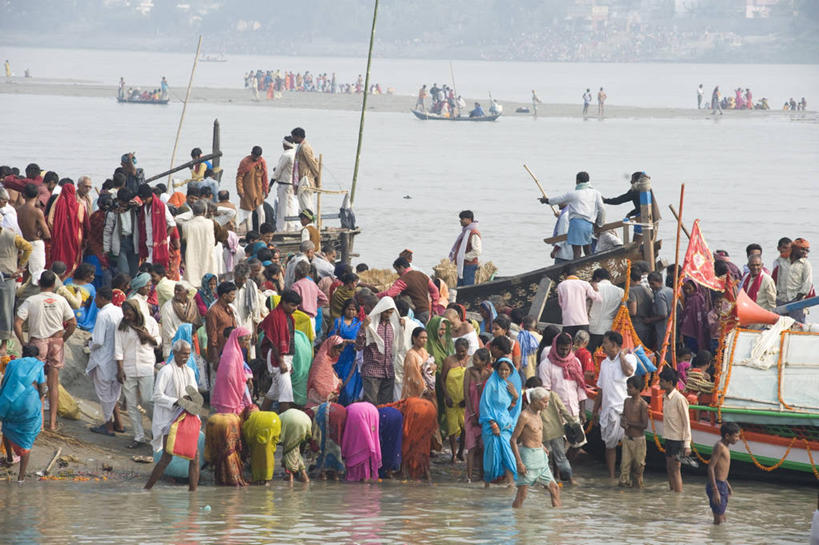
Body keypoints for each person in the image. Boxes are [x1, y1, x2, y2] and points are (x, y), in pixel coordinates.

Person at [14, 271, 76, 431]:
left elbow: (17, 323)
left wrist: (23, 343)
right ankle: (53, 424)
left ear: (40, 283)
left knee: (38, 383)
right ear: (54, 284)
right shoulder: (61, 300)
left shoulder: (32, 300)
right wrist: (63, 339)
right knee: (53, 383)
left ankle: (40, 423)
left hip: (38, 342)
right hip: (56, 342)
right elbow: (73, 323)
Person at [144, 340, 201, 491]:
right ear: (174, 353)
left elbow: (194, 394)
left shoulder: (189, 371)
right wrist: (176, 402)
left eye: (188, 354)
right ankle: (147, 489)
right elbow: (157, 396)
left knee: (195, 456)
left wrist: (191, 399)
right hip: (169, 421)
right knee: (167, 457)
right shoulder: (166, 371)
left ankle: (193, 494)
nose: (186, 357)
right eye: (183, 354)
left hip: (184, 418)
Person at [115, 300, 160, 449]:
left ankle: (157, 430)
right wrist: (120, 370)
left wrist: (147, 336)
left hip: (146, 367)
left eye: (129, 314)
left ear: (136, 311)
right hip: (128, 368)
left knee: (148, 400)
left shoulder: (150, 322)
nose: (127, 317)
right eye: (124, 314)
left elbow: (158, 342)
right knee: (131, 404)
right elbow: (118, 349)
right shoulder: (121, 325)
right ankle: (139, 436)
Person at [592, 331, 636, 478]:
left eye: (605, 343)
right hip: (608, 410)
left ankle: (627, 477)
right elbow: (601, 389)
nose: (602, 346)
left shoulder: (629, 358)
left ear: (614, 344)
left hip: (625, 411)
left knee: (629, 446)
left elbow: (629, 372)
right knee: (609, 445)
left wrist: (621, 355)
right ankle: (611, 477)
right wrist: (595, 411)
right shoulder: (604, 363)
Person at [0, 345, 46, 483]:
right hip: (28, 404)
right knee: (26, 440)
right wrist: (39, 398)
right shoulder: (38, 365)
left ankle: (9, 458)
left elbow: (4, 383)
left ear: (23, 353)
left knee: (7, 428)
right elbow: (42, 387)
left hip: (9, 402)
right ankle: (21, 479)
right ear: (36, 355)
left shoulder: (12, 364)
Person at [511, 386, 561, 508]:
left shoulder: (538, 413)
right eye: (545, 402)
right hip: (528, 457)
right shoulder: (524, 416)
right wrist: (519, 463)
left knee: (554, 488)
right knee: (522, 494)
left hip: (540, 457)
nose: (547, 405)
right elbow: (513, 440)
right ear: (535, 401)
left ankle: (558, 518)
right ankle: (516, 517)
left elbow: (535, 433)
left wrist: (541, 446)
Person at [87, 288, 125, 436]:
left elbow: (98, 340)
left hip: (104, 359)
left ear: (102, 298)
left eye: (96, 298)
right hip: (117, 359)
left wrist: (90, 343)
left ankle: (108, 426)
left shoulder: (103, 314)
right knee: (114, 392)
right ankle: (119, 423)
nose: (95, 301)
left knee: (105, 394)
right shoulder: (119, 311)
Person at [541, 172, 605, 259]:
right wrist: (600, 224)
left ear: (577, 181)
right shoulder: (596, 193)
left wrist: (546, 201)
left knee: (576, 253)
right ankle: (589, 266)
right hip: (588, 224)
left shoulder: (574, 194)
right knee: (588, 251)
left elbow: (558, 199)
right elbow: (602, 209)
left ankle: (576, 267)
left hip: (576, 224)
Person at [480, 357, 521, 486]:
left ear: (511, 371)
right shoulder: (491, 384)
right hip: (491, 425)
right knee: (492, 456)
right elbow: (484, 405)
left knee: (508, 454)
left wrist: (515, 397)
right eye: (501, 369)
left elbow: (508, 408)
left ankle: (511, 484)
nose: (503, 372)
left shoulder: (509, 386)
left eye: (506, 370)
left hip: (505, 425)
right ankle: (487, 484)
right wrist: (493, 424)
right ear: (497, 370)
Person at [260, 289, 302, 412]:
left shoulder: (287, 316)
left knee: (274, 392)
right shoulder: (275, 316)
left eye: (296, 306)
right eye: (292, 305)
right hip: (277, 357)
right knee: (286, 394)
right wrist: (281, 361)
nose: (295, 308)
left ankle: (260, 416)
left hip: (285, 356)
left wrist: (287, 361)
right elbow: (273, 342)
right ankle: (285, 421)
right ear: (284, 302)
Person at [356, 296, 401, 405]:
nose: (388, 315)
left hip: (388, 372)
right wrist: (363, 328)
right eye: (386, 312)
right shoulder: (371, 325)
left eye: (391, 312)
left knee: (386, 406)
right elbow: (359, 346)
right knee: (371, 404)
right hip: (372, 371)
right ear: (381, 310)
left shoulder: (393, 326)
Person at [385, 396, 438, 482]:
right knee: (424, 444)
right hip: (431, 409)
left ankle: (403, 472)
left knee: (407, 443)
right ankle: (427, 474)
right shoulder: (404, 402)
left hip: (417, 410)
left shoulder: (396, 407)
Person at [538, 332, 587, 424]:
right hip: (556, 415)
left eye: (567, 349)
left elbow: (581, 388)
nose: (564, 352)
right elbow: (546, 392)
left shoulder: (576, 362)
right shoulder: (546, 365)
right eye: (561, 349)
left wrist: (582, 411)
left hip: (574, 411)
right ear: (555, 347)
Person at [0, 219, 32, 355]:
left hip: (7, 277)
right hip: (6, 275)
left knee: (6, 310)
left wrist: (20, 266)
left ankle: (4, 343)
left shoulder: (11, 236)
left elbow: (28, 248)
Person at [378, 257, 440, 324]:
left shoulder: (404, 279)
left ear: (401, 267)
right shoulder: (423, 275)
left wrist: (376, 295)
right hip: (426, 312)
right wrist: (434, 308)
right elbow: (435, 290)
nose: (397, 273)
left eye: (397, 270)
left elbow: (389, 294)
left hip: (415, 313)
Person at [659, 366, 692, 492]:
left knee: (676, 470)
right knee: (669, 468)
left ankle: (678, 495)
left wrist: (687, 444)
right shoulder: (665, 397)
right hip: (668, 437)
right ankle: (672, 492)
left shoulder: (680, 399)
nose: (660, 383)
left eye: (662, 381)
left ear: (670, 382)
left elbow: (686, 423)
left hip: (678, 439)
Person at [47, 181, 89, 275]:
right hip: (75, 239)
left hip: (59, 239)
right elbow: (86, 226)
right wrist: (85, 239)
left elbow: (50, 221)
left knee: (59, 258)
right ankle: (70, 278)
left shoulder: (57, 207)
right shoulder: (80, 207)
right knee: (73, 261)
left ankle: (58, 277)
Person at [463, 348, 491, 481]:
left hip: (485, 414)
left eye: (476, 360)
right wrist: (472, 414)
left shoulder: (490, 374)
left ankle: (482, 476)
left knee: (483, 446)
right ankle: (468, 477)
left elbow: (488, 395)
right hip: (471, 413)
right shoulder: (468, 372)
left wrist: (479, 381)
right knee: (471, 446)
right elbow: (466, 395)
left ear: (484, 362)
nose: (473, 362)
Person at [211, 328, 253, 415]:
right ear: (238, 340)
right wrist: (242, 385)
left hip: (231, 389)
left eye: (248, 340)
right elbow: (230, 375)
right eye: (246, 340)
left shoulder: (235, 351)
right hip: (231, 391)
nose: (247, 343)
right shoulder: (233, 353)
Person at [329, 298, 363, 405]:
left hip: (352, 359)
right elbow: (331, 339)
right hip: (339, 357)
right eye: (349, 309)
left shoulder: (360, 324)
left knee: (349, 390)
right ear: (344, 309)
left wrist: (356, 343)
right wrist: (345, 341)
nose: (351, 312)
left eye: (353, 310)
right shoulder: (338, 322)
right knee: (336, 385)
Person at [707, 422, 740, 524]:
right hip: (717, 485)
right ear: (727, 436)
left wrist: (727, 485)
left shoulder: (726, 447)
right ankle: (714, 534)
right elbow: (711, 467)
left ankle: (718, 534)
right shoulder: (720, 446)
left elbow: (721, 470)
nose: (738, 439)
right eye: (736, 436)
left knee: (722, 518)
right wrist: (715, 490)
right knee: (718, 520)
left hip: (722, 484)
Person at [16, 183, 50, 283]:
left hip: (23, 244)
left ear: (23, 195)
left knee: (24, 274)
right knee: (37, 275)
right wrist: (40, 233)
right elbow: (47, 234)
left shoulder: (18, 210)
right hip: (35, 244)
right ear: (37, 195)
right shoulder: (37, 212)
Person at [773, 237, 813, 321]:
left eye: (806, 250)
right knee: (780, 323)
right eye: (802, 249)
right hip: (781, 299)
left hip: (796, 299)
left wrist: (800, 296)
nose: (804, 252)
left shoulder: (805, 264)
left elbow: (807, 282)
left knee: (797, 323)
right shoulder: (782, 261)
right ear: (794, 248)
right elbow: (777, 278)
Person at [442, 337, 469, 462]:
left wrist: (467, 398)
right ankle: (453, 454)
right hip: (451, 400)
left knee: (465, 428)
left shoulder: (469, 361)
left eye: (463, 351)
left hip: (464, 400)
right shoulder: (448, 361)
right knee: (452, 428)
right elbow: (442, 379)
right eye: (458, 351)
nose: (460, 354)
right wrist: (447, 396)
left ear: (467, 350)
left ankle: (461, 452)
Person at [620, 375, 648, 488]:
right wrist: (623, 423)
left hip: (638, 441)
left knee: (638, 470)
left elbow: (644, 425)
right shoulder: (626, 401)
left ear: (638, 389)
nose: (627, 389)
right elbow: (623, 416)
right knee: (624, 468)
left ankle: (637, 491)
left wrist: (629, 423)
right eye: (627, 387)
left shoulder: (642, 405)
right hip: (627, 439)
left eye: (630, 387)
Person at [341, 401, 382, 481]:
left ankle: (357, 475)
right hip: (373, 411)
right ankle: (365, 476)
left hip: (356, 413)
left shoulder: (347, 410)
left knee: (356, 444)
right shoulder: (350, 409)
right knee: (368, 441)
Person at [241, 406, 281, 484]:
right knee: (269, 454)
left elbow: (247, 436)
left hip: (258, 429)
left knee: (256, 457)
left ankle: (258, 479)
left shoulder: (251, 418)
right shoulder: (267, 414)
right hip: (274, 420)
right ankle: (267, 479)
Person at [180, 200, 216, 288]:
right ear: (204, 211)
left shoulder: (186, 225)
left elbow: (177, 219)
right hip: (207, 256)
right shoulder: (209, 223)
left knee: (192, 286)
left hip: (192, 258)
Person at [160, 284, 200, 359]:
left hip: (189, 348)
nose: (176, 292)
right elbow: (168, 331)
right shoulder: (167, 307)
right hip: (173, 349)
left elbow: (196, 324)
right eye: (175, 290)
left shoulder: (192, 305)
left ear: (187, 292)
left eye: (179, 290)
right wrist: (182, 342)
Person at [588, 268, 623, 351]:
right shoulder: (620, 291)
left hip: (592, 327)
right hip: (609, 328)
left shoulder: (592, 288)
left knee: (592, 353)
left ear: (597, 278)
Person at [205, 282, 237, 370]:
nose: (234, 297)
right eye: (232, 294)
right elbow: (212, 335)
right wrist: (216, 357)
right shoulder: (213, 311)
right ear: (224, 296)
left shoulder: (229, 309)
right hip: (219, 352)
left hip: (229, 350)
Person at [236, 146, 269, 231]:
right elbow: (239, 177)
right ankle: (249, 233)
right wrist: (240, 190)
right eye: (255, 156)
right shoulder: (245, 162)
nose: (256, 158)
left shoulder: (262, 162)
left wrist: (266, 190)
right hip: (247, 192)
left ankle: (262, 231)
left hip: (258, 192)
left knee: (261, 213)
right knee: (248, 215)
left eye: (258, 157)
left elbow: (265, 177)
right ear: (251, 154)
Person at [312, 401, 347, 479]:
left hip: (325, 413)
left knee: (324, 442)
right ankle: (336, 472)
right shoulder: (341, 408)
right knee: (336, 442)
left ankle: (323, 472)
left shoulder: (315, 411)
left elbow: (315, 436)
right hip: (339, 414)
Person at [306, 335, 344, 405]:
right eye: (338, 351)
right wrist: (333, 388)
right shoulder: (322, 360)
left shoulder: (327, 359)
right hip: (317, 397)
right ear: (331, 348)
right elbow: (317, 380)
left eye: (340, 352)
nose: (339, 354)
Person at [291, 127, 320, 214]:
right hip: (302, 179)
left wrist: (317, 178)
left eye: (294, 137)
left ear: (299, 137)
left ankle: (309, 221)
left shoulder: (305, 147)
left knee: (306, 203)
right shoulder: (300, 147)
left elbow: (312, 163)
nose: (293, 139)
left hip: (306, 179)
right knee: (303, 203)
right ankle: (308, 220)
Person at [279, 407, 312, 483]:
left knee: (289, 450)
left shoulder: (279, 418)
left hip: (292, 422)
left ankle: (291, 477)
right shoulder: (282, 416)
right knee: (295, 451)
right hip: (306, 421)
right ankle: (304, 476)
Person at [449, 210, 481, 287]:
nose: (460, 221)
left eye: (462, 219)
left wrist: (463, 257)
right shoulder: (466, 232)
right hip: (463, 264)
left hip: (469, 265)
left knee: (467, 287)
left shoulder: (473, 233)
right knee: (460, 286)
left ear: (469, 219)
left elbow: (477, 251)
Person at [273, 136, 299, 232]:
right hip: (292, 184)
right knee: (290, 207)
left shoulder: (286, 155)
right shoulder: (295, 154)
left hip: (284, 185)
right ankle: (291, 227)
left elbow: (278, 171)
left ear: (286, 145)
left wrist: (270, 184)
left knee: (282, 208)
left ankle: (281, 228)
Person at [402, 326, 434, 400]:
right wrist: (424, 389)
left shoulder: (424, 351)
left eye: (426, 338)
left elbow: (429, 367)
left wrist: (432, 367)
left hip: (428, 386)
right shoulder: (411, 355)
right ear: (414, 338)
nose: (424, 340)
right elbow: (414, 375)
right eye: (422, 338)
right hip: (415, 390)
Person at [645, 271, 674, 352]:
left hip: (664, 327)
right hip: (673, 326)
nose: (651, 286)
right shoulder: (670, 290)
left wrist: (649, 320)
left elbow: (663, 314)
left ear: (658, 282)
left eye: (652, 284)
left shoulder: (660, 294)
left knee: (665, 350)